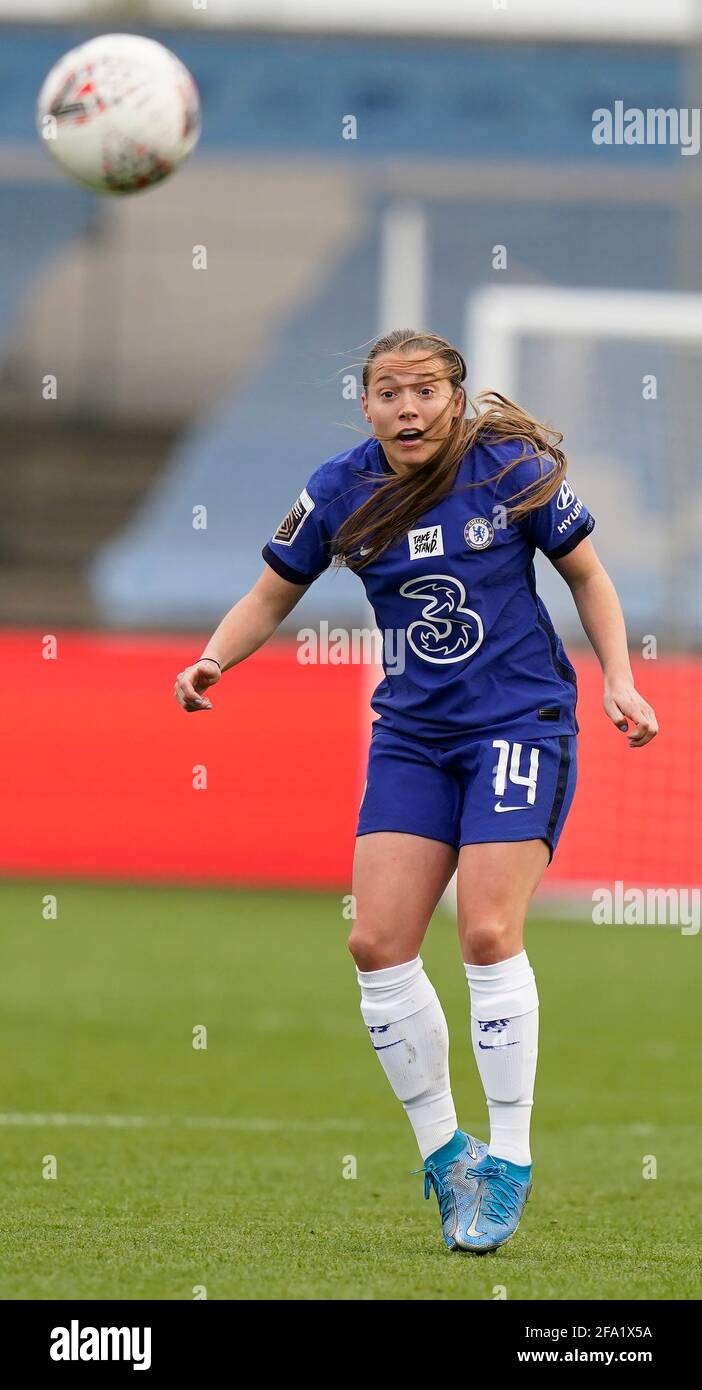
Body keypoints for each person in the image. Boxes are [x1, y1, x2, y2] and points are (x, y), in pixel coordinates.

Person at [174, 329, 658, 1254]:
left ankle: (509, 1158)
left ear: (455, 396)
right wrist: (210, 659)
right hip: (412, 738)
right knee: (375, 942)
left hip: (519, 725)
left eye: (426, 390)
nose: (408, 408)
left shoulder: (508, 467)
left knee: (485, 931)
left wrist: (620, 680)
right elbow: (271, 593)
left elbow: (587, 576)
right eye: (389, 392)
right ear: (366, 405)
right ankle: (446, 1153)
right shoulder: (337, 489)